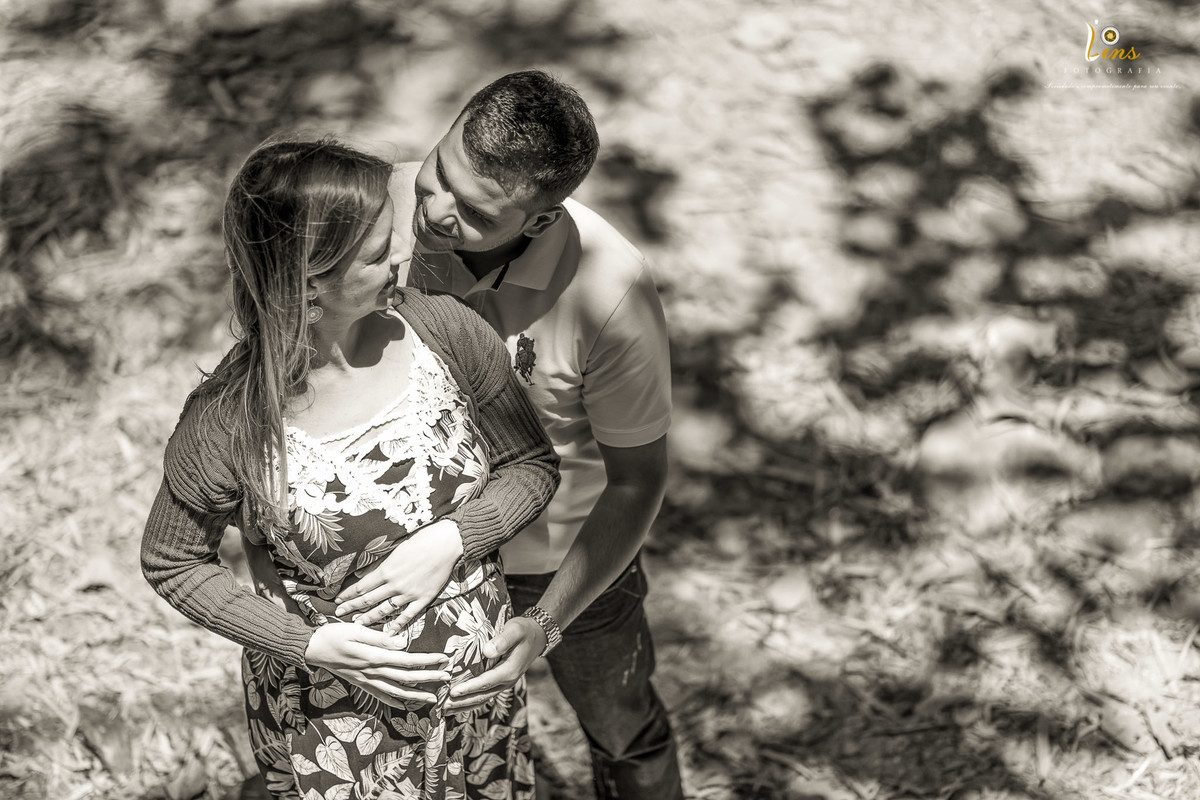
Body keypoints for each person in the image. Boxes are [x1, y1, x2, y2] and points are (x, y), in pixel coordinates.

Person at [140, 137, 560, 800]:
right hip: (334, 728)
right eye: (376, 253)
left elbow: (530, 463)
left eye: (393, 236)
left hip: (474, 700)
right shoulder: (227, 420)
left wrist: (455, 537)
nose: (406, 254)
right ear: (308, 278)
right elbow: (173, 563)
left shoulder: (443, 331)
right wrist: (305, 643)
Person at [332, 70, 683, 799]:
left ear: (540, 223)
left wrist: (548, 622)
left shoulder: (611, 291)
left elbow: (638, 479)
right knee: (413, 751)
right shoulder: (377, 210)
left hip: (556, 562)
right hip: (399, 552)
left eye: (476, 213)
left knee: (625, 733)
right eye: (437, 175)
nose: (434, 213)